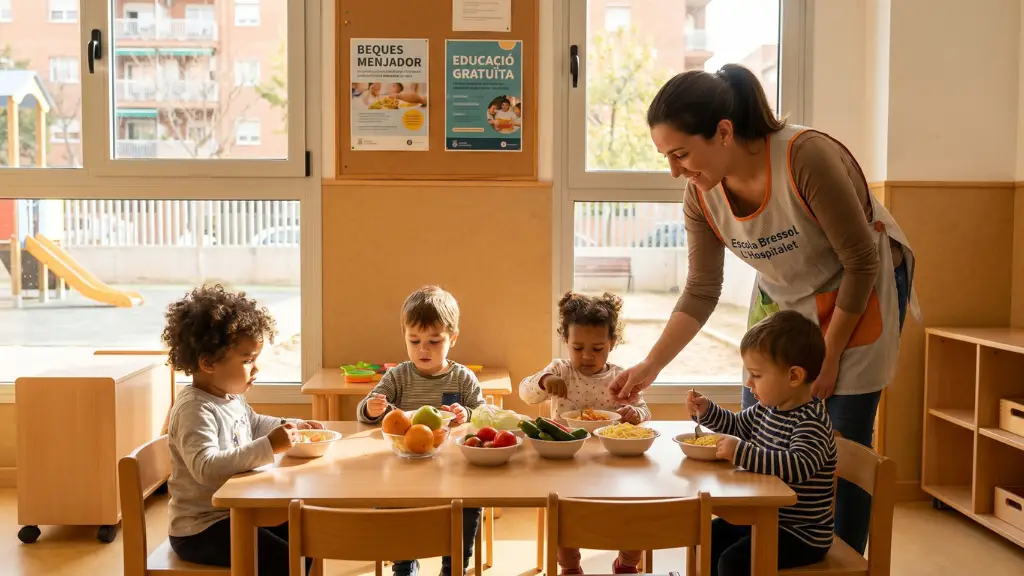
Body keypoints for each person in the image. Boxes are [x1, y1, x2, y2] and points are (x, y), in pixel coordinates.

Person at [609, 64, 917, 555]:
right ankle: (761, 552)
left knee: (841, 444)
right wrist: (651, 365)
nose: (675, 171)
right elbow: (701, 289)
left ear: (724, 133)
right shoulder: (701, 195)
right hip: (784, 297)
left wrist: (830, 355)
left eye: (682, 154)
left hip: (857, 292)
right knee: (763, 427)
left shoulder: (804, 157)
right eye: (666, 157)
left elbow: (860, 261)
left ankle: (836, 556)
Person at [163, 285, 320, 576]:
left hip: (237, 512)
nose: (256, 368)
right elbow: (206, 468)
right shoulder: (194, 409)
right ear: (208, 362)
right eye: (247, 360)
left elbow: (255, 423)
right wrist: (269, 447)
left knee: (307, 539)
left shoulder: (229, 396)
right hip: (201, 528)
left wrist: (291, 426)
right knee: (287, 560)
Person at [690, 310, 837, 575]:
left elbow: (798, 466)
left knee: (734, 563)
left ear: (794, 377)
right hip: (764, 517)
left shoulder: (811, 421)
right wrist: (707, 410)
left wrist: (742, 452)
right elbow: (736, 425)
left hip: (800, 533)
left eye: (756, 375)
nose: (749, 383)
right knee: (707, 536)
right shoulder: (767, 409)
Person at [357, 286, 484, 576]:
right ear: (404, 336)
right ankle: (404, 565)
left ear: (452, 339)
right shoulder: (397, 376)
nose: (423, 349)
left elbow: (481, 411)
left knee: (468, 505)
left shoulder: (463, 377)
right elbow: (364, 412)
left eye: (434, 341)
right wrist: (371, 409)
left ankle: (453, 567)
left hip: (450, 468)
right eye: (414, 340)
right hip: (404, 467)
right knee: (391, 505)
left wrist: (468, 413)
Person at [520, 291, 649, 575]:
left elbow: (643, 408)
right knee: (564, 512)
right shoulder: (560, 370)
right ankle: (570, 566)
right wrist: (545, 380)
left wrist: (634, 414)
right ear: (566, 341)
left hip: (612, 459)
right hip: (567, 459)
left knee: (638, 506)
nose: (587, 356)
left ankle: (627, 562)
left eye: (598, 348)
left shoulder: (620, 376)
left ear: (612, 344)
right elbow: (526, 393)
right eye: (578, 348)